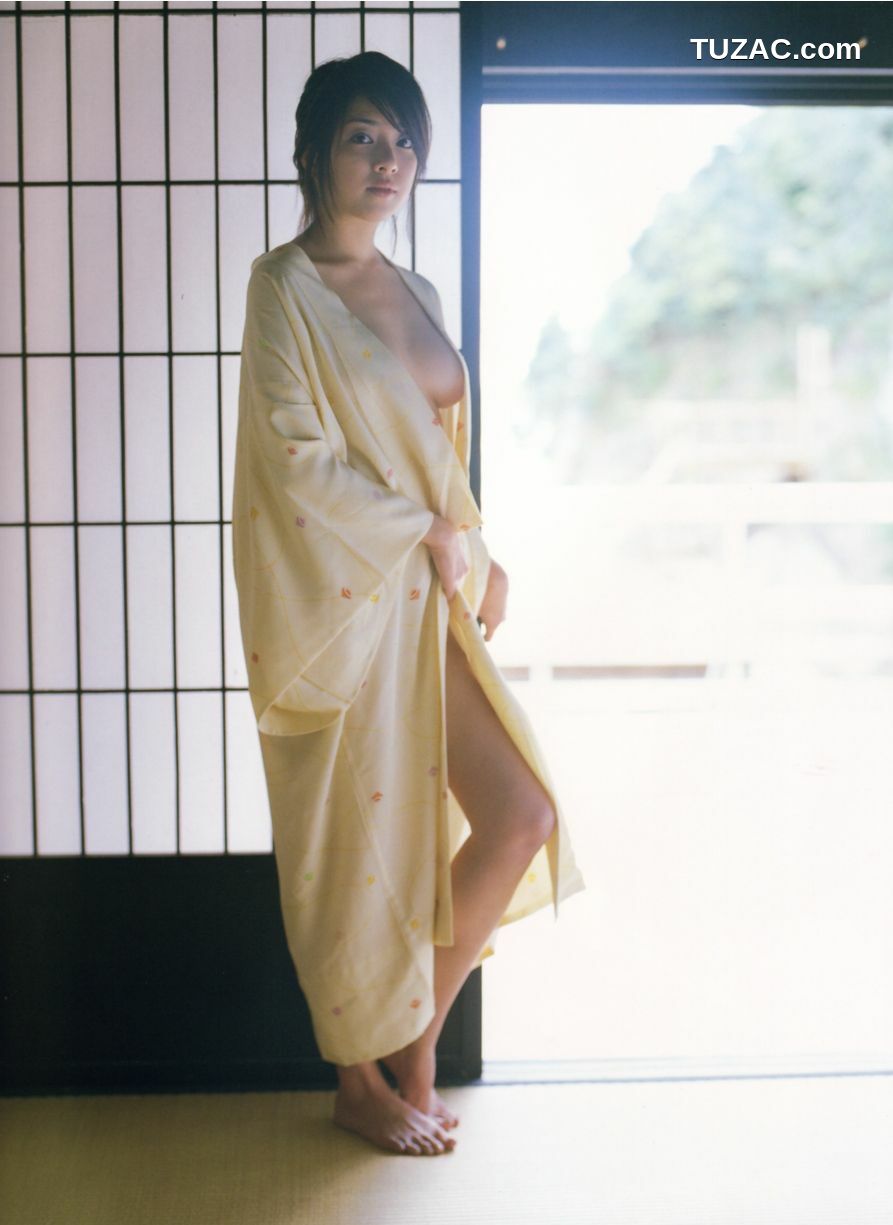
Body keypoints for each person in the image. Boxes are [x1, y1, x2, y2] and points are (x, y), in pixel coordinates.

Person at [231, 51, 586, 1157]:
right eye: (362, 138)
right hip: (342, 608)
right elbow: (294, 462)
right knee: (356, 844)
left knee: (517, 814)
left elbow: (436, 454)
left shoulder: (417, 292)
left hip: (431, 597)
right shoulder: (284, 287)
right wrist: (426, 532)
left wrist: (478, 546)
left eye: (403, 141)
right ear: (312, 153)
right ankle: (358, 1079)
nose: (388, 161)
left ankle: (415, 1055)